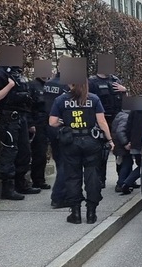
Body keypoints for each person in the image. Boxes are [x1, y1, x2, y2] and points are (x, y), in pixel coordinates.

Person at [49, 79, 114, 224]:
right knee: (92, 176)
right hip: (91, 141)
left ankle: (76, 214)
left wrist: (65, 121)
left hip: (70, 142)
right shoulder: (93, 99)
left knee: (72, 177)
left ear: (70, 83)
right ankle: (91, 213)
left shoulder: (61, 100)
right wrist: (110, 140)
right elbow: (102, 122)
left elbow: (52, 122)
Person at [0, 65, 41, 200]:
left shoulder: (17, 73)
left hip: (21, 117)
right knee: (10, 152)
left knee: (24, 151)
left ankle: (21, 183)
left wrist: (29, 122)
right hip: (7, 118)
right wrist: (10, 86)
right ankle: (8, 188)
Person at [88, 73, 126, 188]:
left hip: (117, 119)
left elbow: (125, 101)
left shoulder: (115, 79)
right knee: (101, 151)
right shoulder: (92, 82)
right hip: (100, 120)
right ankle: (100, 179)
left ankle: (122, 179)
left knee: (120, 151)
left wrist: (124, 91)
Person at [42, 72, 69, 208]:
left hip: (50, 126)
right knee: (66, 163)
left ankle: (62, 193)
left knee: (59, 161)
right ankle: (59, 197)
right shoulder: (66, 86)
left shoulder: (48, 84)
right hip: (61, 127)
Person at [29, 72, 52, 190]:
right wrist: (31, 123)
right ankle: (38, 180)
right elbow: (28, 106)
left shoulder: (51, 85)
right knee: (39, 153)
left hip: (52, 121)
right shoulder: (32, 85)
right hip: (39, 122)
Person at [110, 107, 131, 193]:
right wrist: (125, 143)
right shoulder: (126, 117)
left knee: (121, 163)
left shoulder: (120, 115)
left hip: (117, 144)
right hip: (121, 145)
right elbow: (120, 131)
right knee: (127, 163)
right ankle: (121, 183)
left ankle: (127, 181)